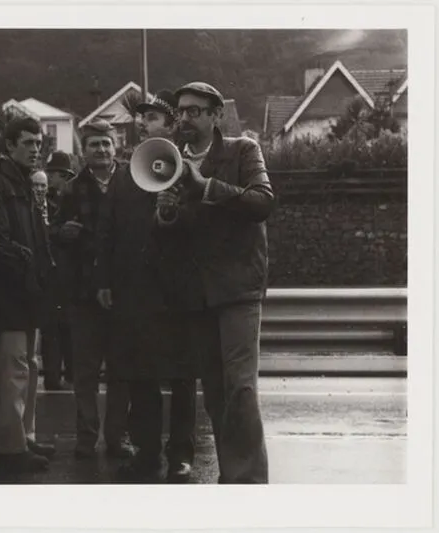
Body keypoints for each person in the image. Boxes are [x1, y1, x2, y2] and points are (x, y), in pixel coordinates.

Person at [154, 81, 275, 483]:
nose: (184, 118)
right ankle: (232, 476)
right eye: (181, 112)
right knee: (218, 392)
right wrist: (166, 215)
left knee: (240, 389)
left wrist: (203, 186)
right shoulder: (168, 160)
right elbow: (173, 235)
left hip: (238, 288)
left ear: (216, 114)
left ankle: (248, 482)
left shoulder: (243, 150)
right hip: (198, 293)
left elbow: (261, 202)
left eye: (194, 111)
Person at [111, 89, 198, 483]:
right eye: (141, 118)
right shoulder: (123, 174)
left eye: (152, 118)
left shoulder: (188, 169)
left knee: (181, 377)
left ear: (171, 125)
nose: (143, 123)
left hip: (176, 290)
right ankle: (147, 452)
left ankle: (181, 454)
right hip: (137, 292)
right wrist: (105, 281)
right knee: (141, 376)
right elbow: (108, 232)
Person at [0, 117, 55, 475]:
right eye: (28, 143)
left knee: (25, 370)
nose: (35, 149)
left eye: (38, 143)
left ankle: (21, 437)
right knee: (13, 372)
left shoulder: (19, 184)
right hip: (10, 296)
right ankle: (10, 448)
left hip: (25, 294)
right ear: (9, 146)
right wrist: (28, 266)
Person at [52, 120, 133, 460]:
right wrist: (60, 232)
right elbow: (54, 229)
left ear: (116, 147)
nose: (101, 149)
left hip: (123, 292)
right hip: (83, 293)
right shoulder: (71, 189)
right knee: (84, 372)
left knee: (121, 370)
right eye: (94, 144)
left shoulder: (132, 182)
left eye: (106, 143)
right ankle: (86, 436)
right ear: (82, 152)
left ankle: (117, 437)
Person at [39, 151, 76, 390]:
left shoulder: (72, 200)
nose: (50, 180)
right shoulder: (44, 201)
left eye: (54, 175)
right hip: (53, 273)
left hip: (70, 272)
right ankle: (53, 375)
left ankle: (71, 373)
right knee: (52, 328)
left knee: (69, 328)